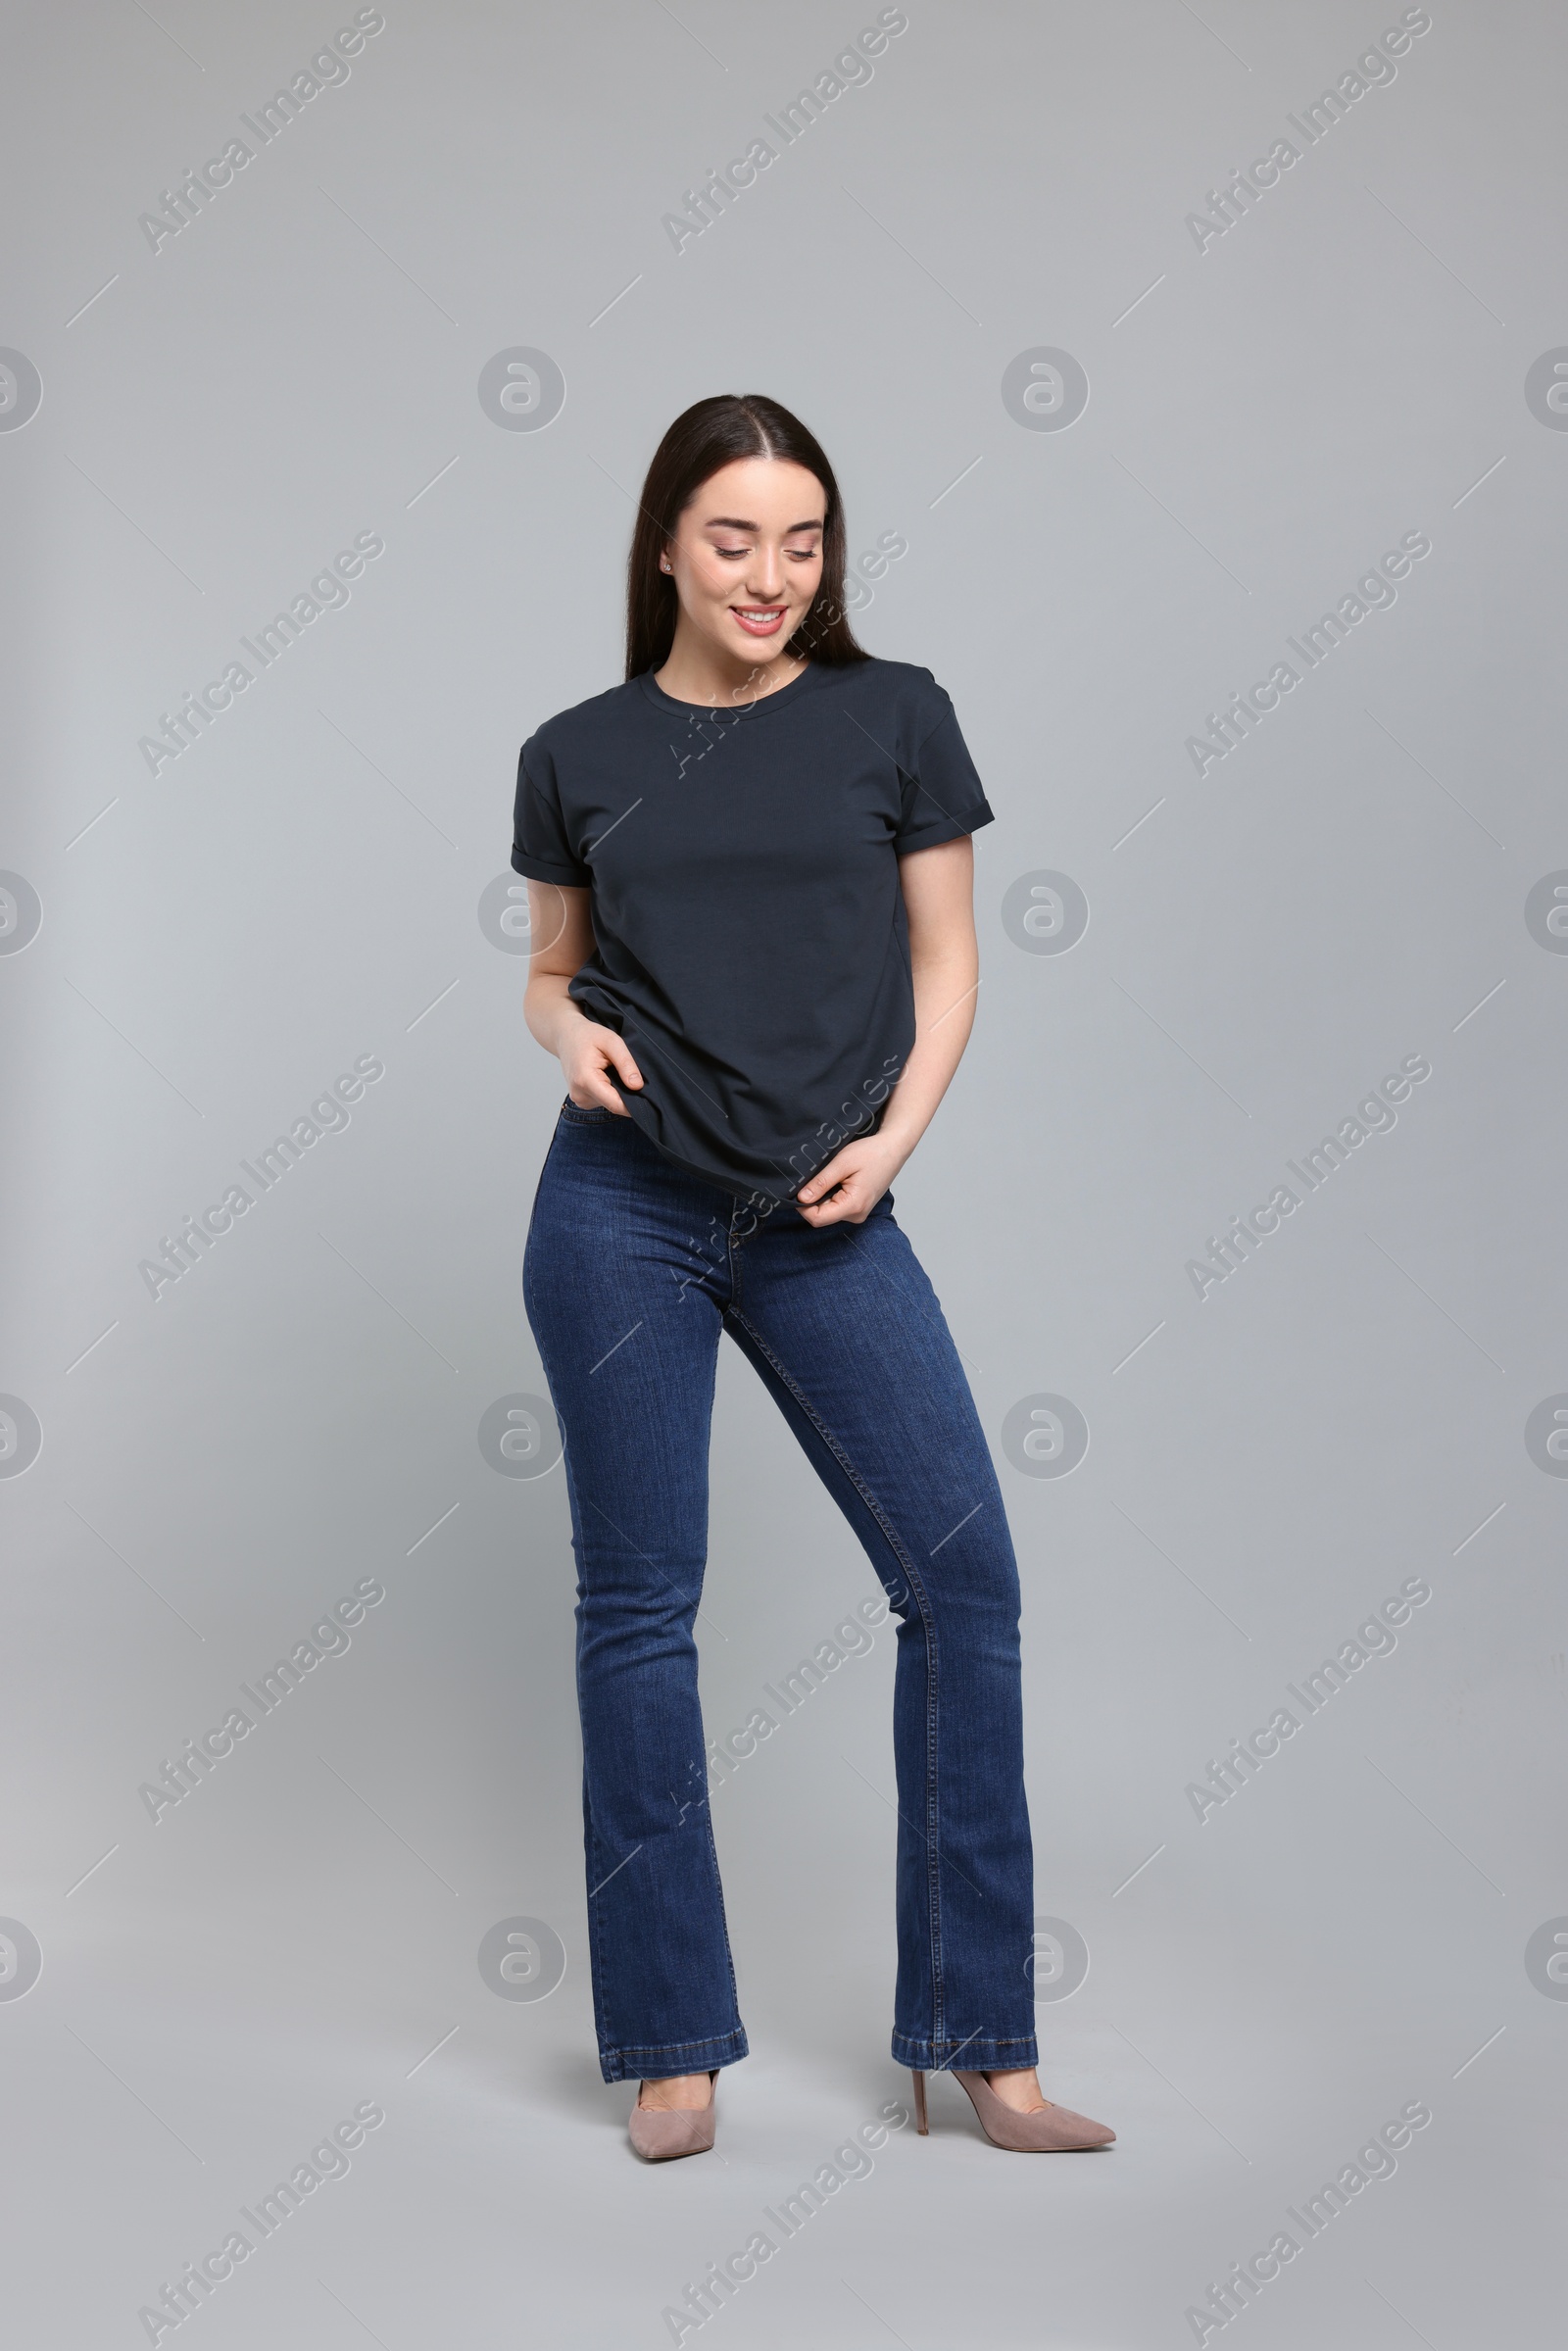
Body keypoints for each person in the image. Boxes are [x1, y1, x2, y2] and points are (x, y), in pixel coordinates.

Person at [514, 393, 1114, 2160]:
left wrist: (896, 1138)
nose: (773, 574)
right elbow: (551, 972)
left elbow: (952, 968)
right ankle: (672, 2044)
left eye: (803, 540)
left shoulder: (896, 715)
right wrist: (561, 1031)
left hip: (830, 1210)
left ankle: (981, 2042)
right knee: (640, 1613)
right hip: (616, 1203)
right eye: (733, 539)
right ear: (664, 548)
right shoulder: (579, 746)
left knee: (965, 1585)